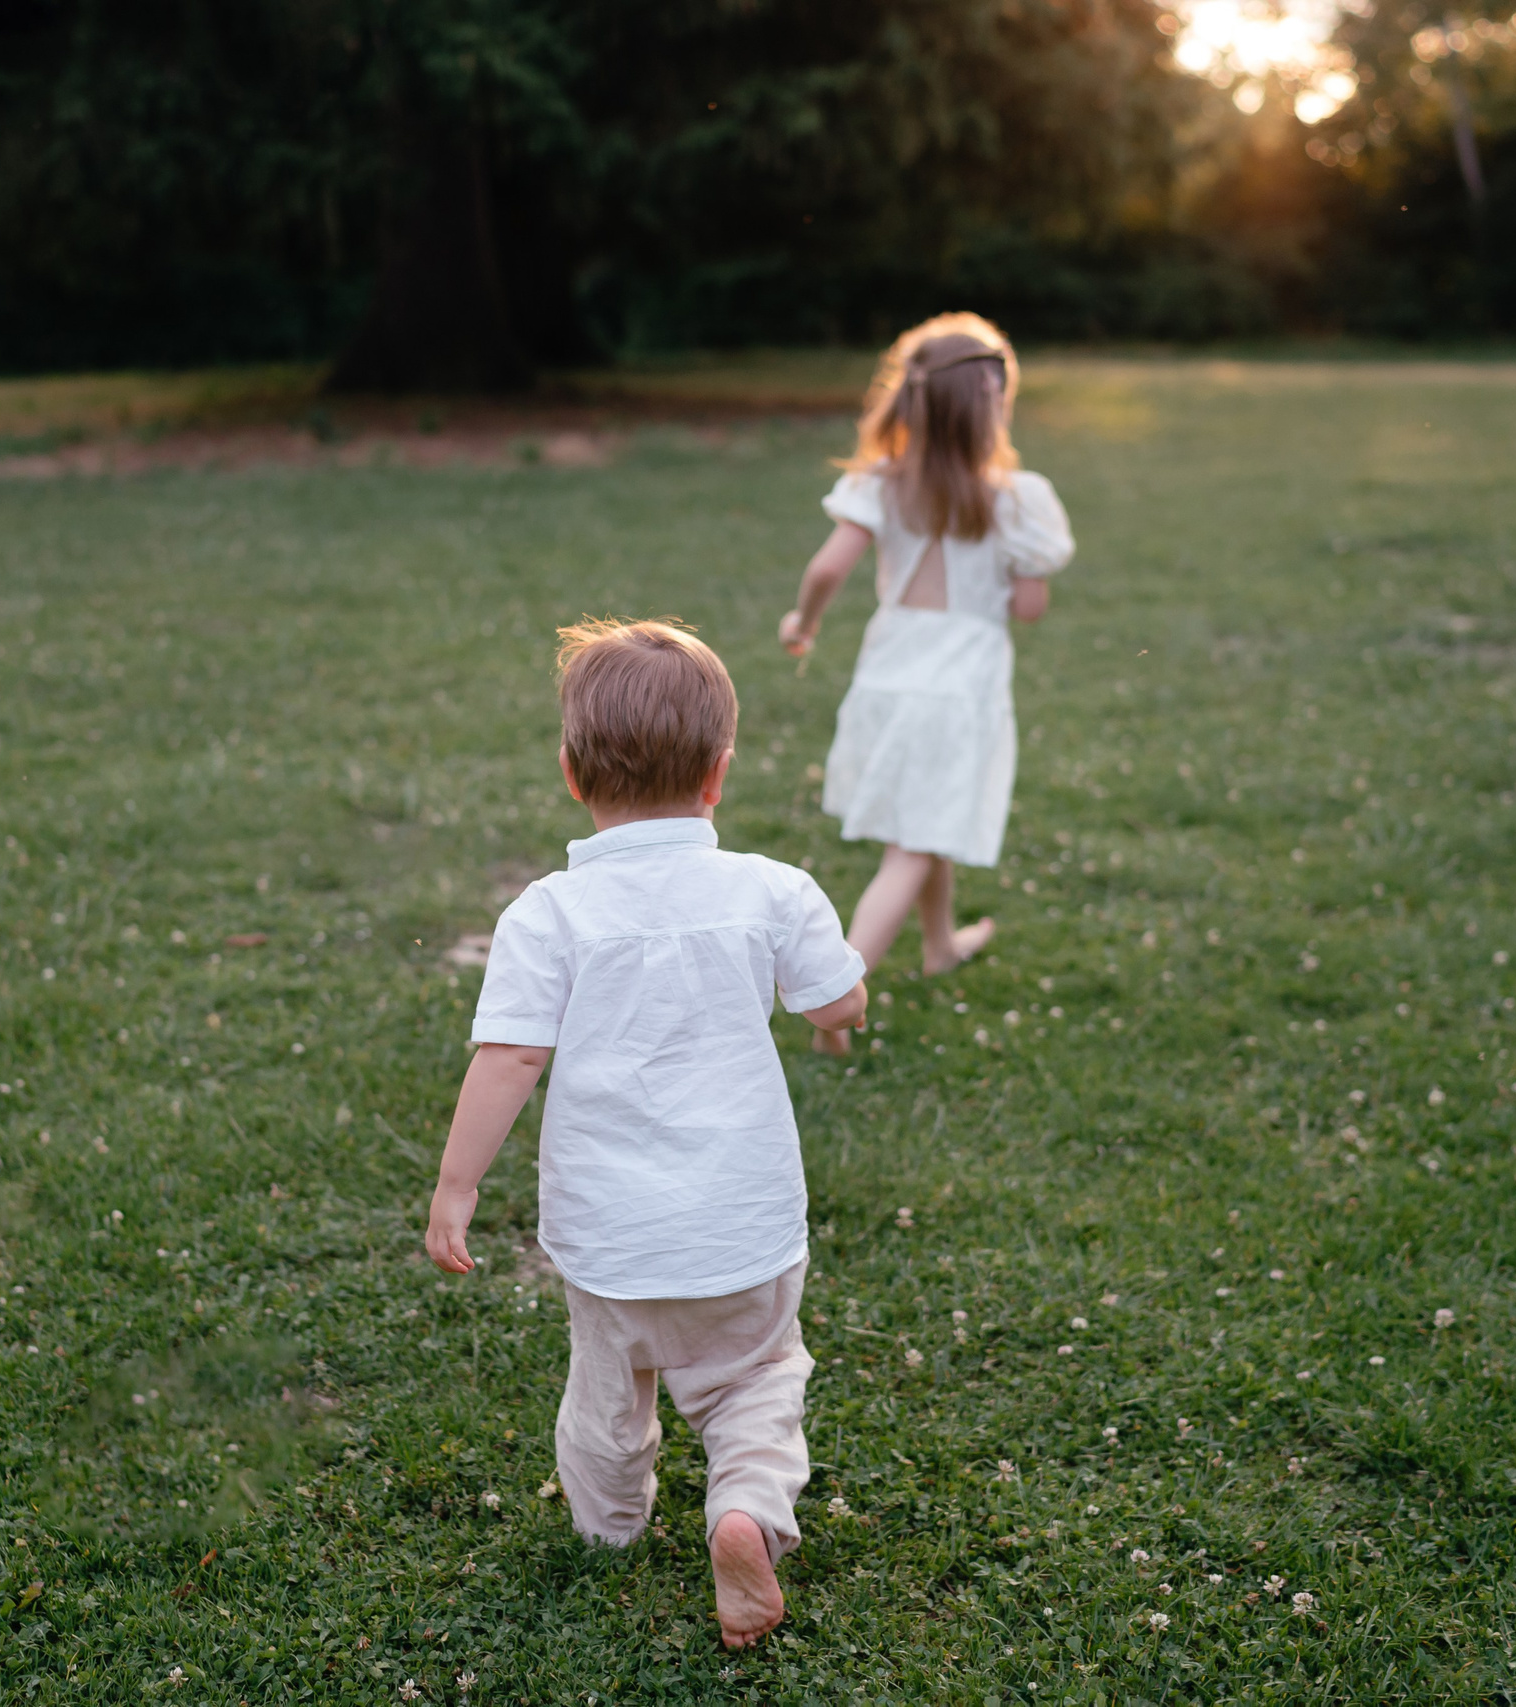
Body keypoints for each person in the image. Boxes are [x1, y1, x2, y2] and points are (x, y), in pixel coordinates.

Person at [423, 619, 868, 1648]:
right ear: (717, 776)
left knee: (606, 1388)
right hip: (744, 1228)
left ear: (572, 773)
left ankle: (607, 1526)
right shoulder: (770, 889)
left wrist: (457, 1187)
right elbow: (835, 1000)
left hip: (610, 1236)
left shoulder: (549, 913)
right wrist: (842, 1015)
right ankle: (745, 1508)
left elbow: (508, 1060)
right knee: (756, 1378)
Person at [777, 312, 1074, 1053]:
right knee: (909, 848)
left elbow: (825, 569)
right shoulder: (1016, 498)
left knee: (922, 822)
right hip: (958, 686)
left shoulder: (879, 484)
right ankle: (833, 1000)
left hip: (887, 673)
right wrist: (1001, 588)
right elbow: (1030, 607)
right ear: (990, 404)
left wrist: (802, 623)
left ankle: (939, 943)